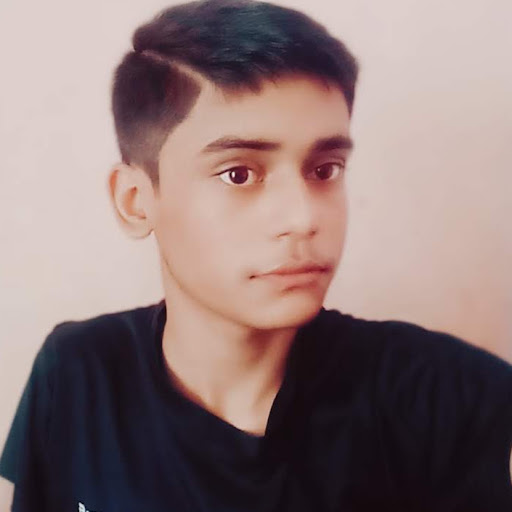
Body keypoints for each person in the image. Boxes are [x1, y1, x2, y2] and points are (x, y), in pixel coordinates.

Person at [1, 0, 511, 510]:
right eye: (239, 173)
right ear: (136, 201)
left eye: (325, 169)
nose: (303, 217)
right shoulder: (78, 374)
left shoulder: (448, 399)